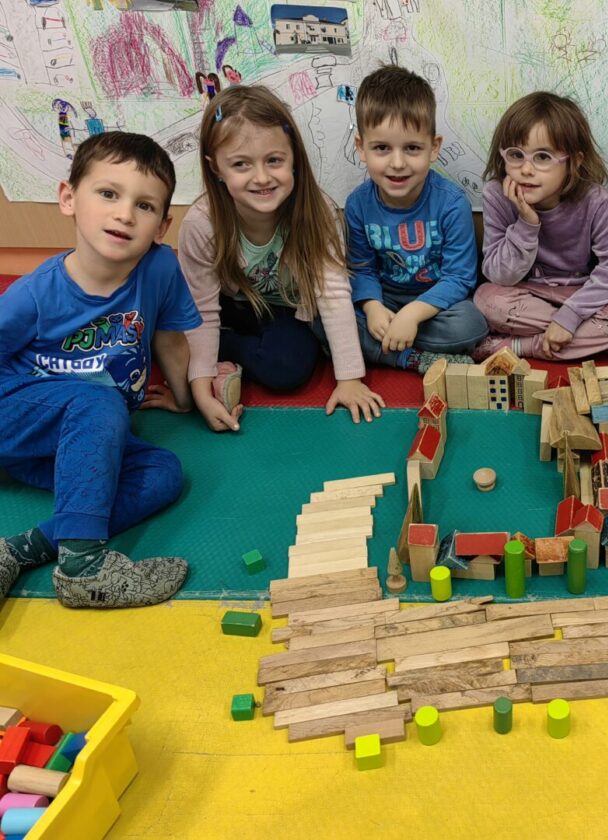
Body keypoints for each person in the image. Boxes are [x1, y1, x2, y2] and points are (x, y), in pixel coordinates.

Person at [0, 132, 201, 608]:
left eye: (144, 205)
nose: (125, 214)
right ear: (69, 198)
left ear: (162, 225)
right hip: (18, 417)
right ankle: (82, 568)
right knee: (97, 399)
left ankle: (19, 550)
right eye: (108, 193)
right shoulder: (34, 294)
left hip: (75, 443)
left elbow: (170, 338)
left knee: (163, 473)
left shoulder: (160, 268)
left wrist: (184, 397)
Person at [179, 85, 384, 434]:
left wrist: (350, 379)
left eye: (274, 160)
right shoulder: (202, 223)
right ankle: (216, 352)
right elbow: (202, 309)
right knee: (174, 341)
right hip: (227, 306)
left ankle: (228, 350)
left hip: (284, 309)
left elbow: (333, 294)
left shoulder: (317, 213)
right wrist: (200, 389)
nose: (261, 177)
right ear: (216, 168)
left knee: (288, 370)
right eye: (241, 164)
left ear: (294, 159)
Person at [473, 92, 608, 362]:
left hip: (583, 294)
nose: (526, 169)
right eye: (516, 155)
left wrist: (570, 316)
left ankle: (519, 347)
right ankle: (596, 340)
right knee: (486, 299)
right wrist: (526, 223)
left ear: (574, 161)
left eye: (543, 157)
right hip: (527, 294)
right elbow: (499, 276)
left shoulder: (594, 199)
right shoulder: (497, 194)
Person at [347, 65, 487, 372]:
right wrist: (372, 307)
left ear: (433, 148)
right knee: (324, 318)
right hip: (385, 299)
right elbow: (362, 269)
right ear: (361, 147)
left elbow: (459, 277)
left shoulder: (452, 203)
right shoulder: (357, 204)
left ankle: (384, 346)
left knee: (471, 325)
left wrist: (412, 315)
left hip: (436, 306)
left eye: (412, 148)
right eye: (382, 148)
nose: (398, 163)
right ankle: (411, 358)